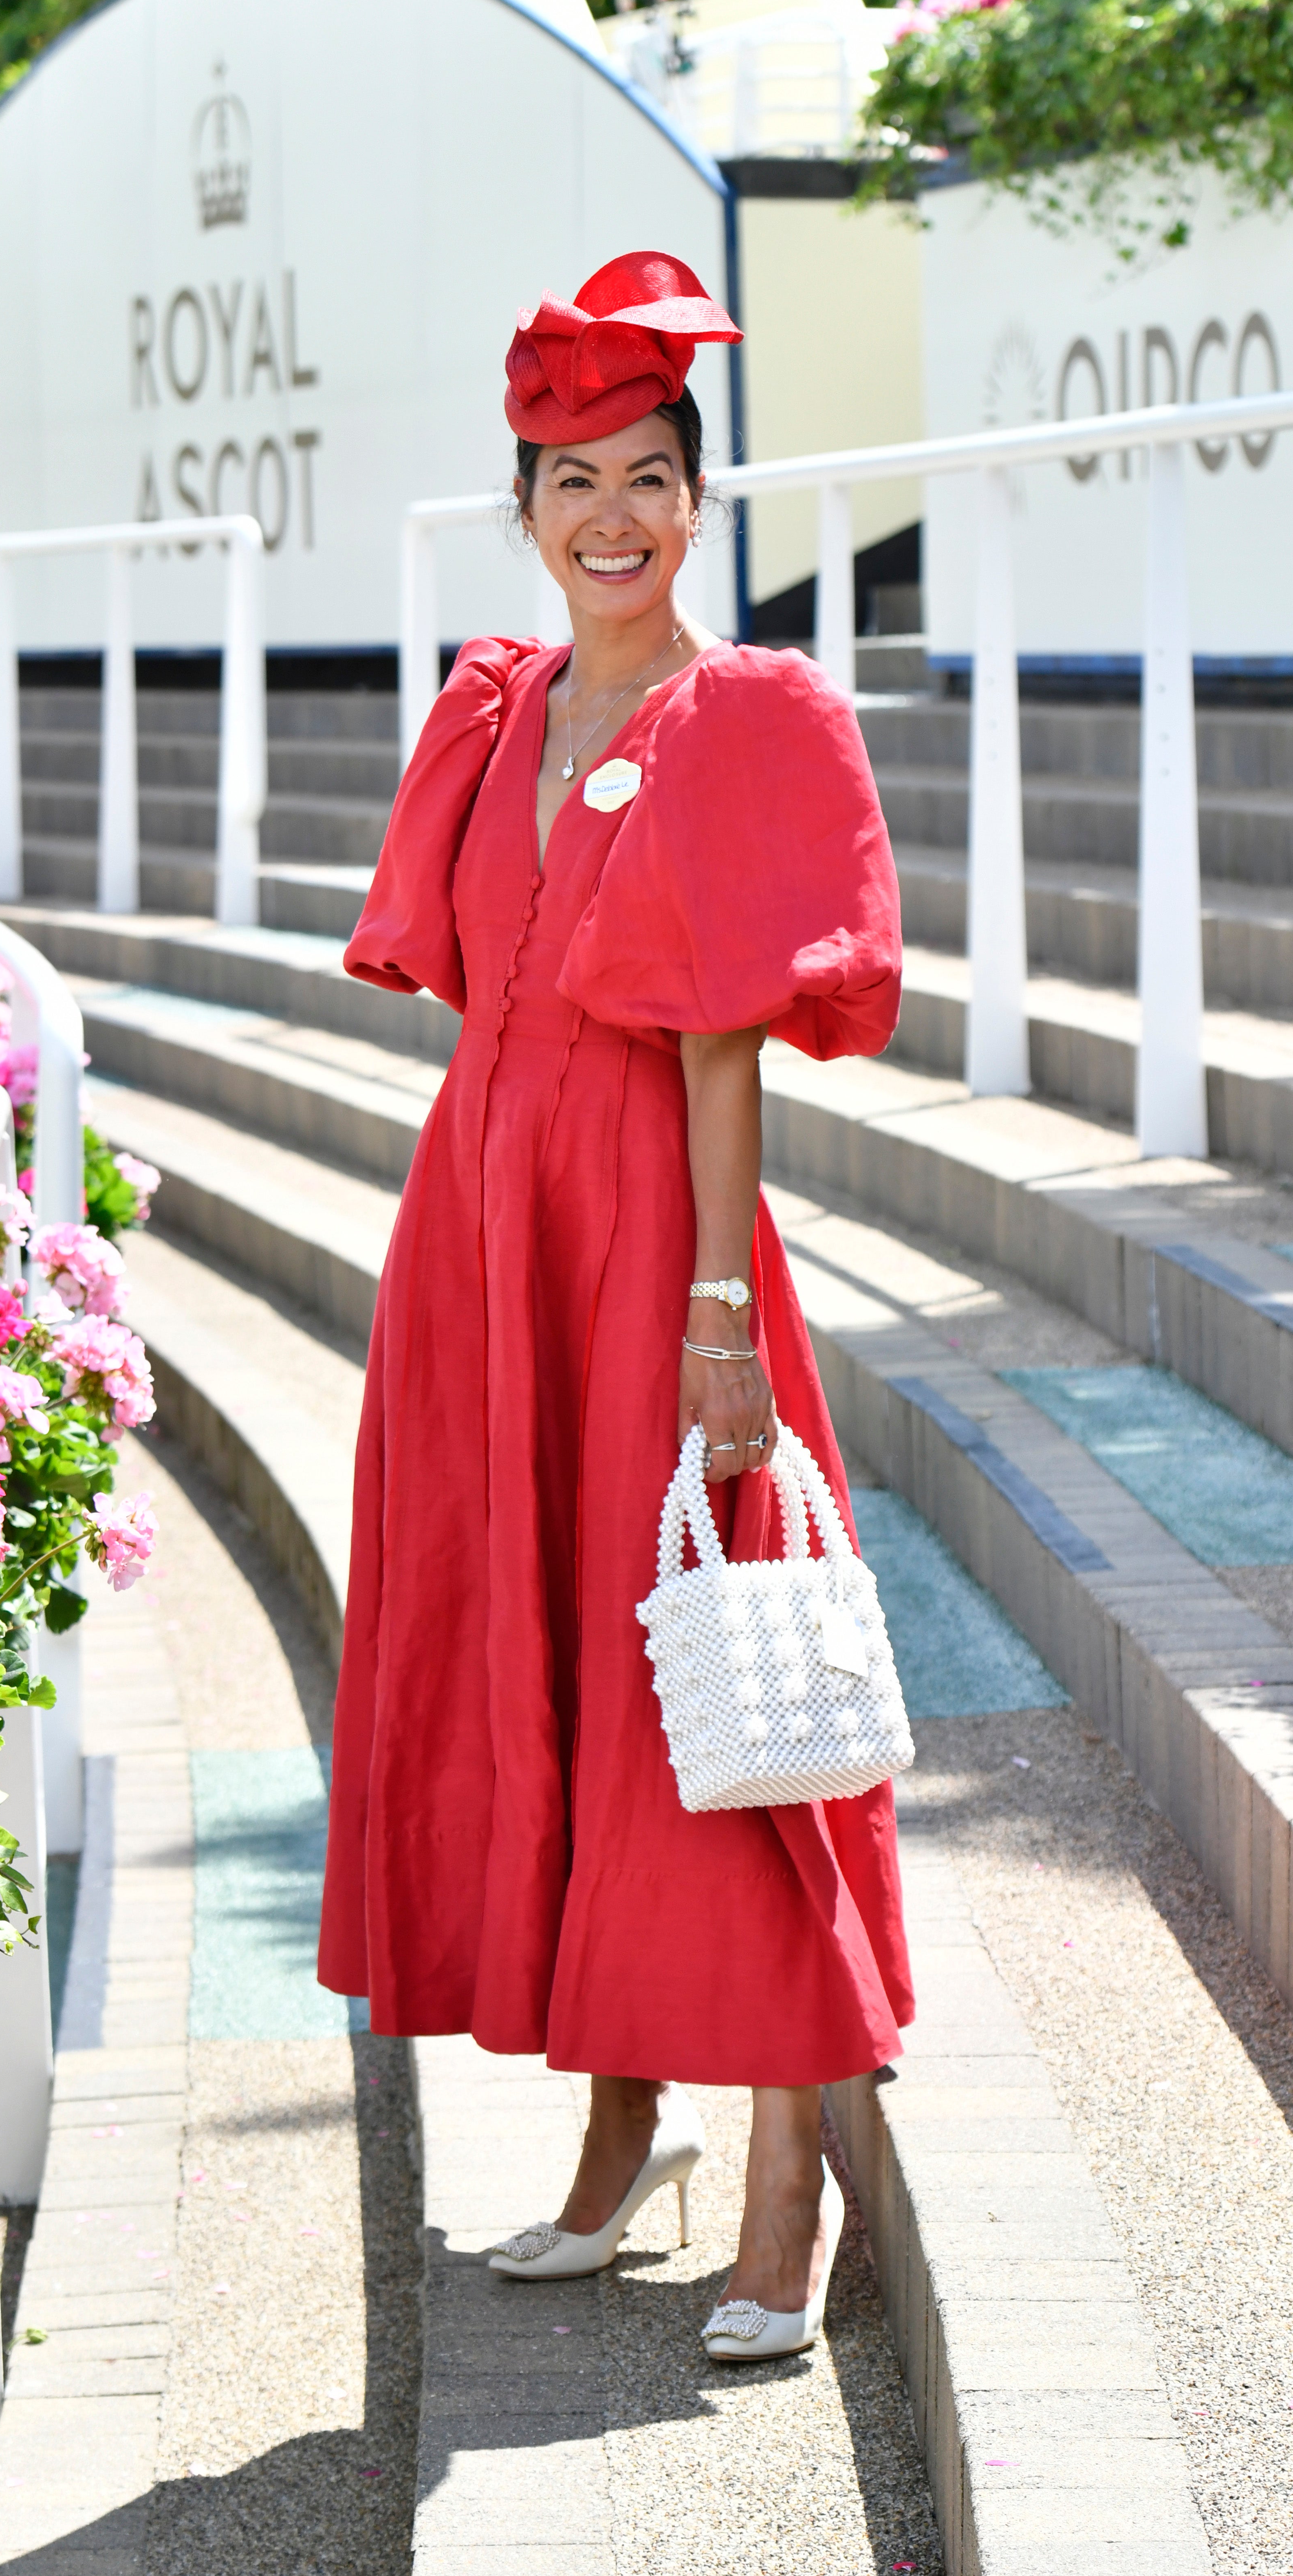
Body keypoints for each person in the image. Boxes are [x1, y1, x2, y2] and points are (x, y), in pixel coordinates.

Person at [317, 250, 912, 2360]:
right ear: (525, 502)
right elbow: (473, 1009)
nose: (612, 518)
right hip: (483, 1263)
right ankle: (614, 2128)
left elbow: (721, 1044)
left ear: (695, 495)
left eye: (648, 475)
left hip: (660, 1252)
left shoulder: (739, 717)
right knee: (560, 1670)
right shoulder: (490, 718)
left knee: (706, 1704)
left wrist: (717, 1307)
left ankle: (779, 2178)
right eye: (572, 478)